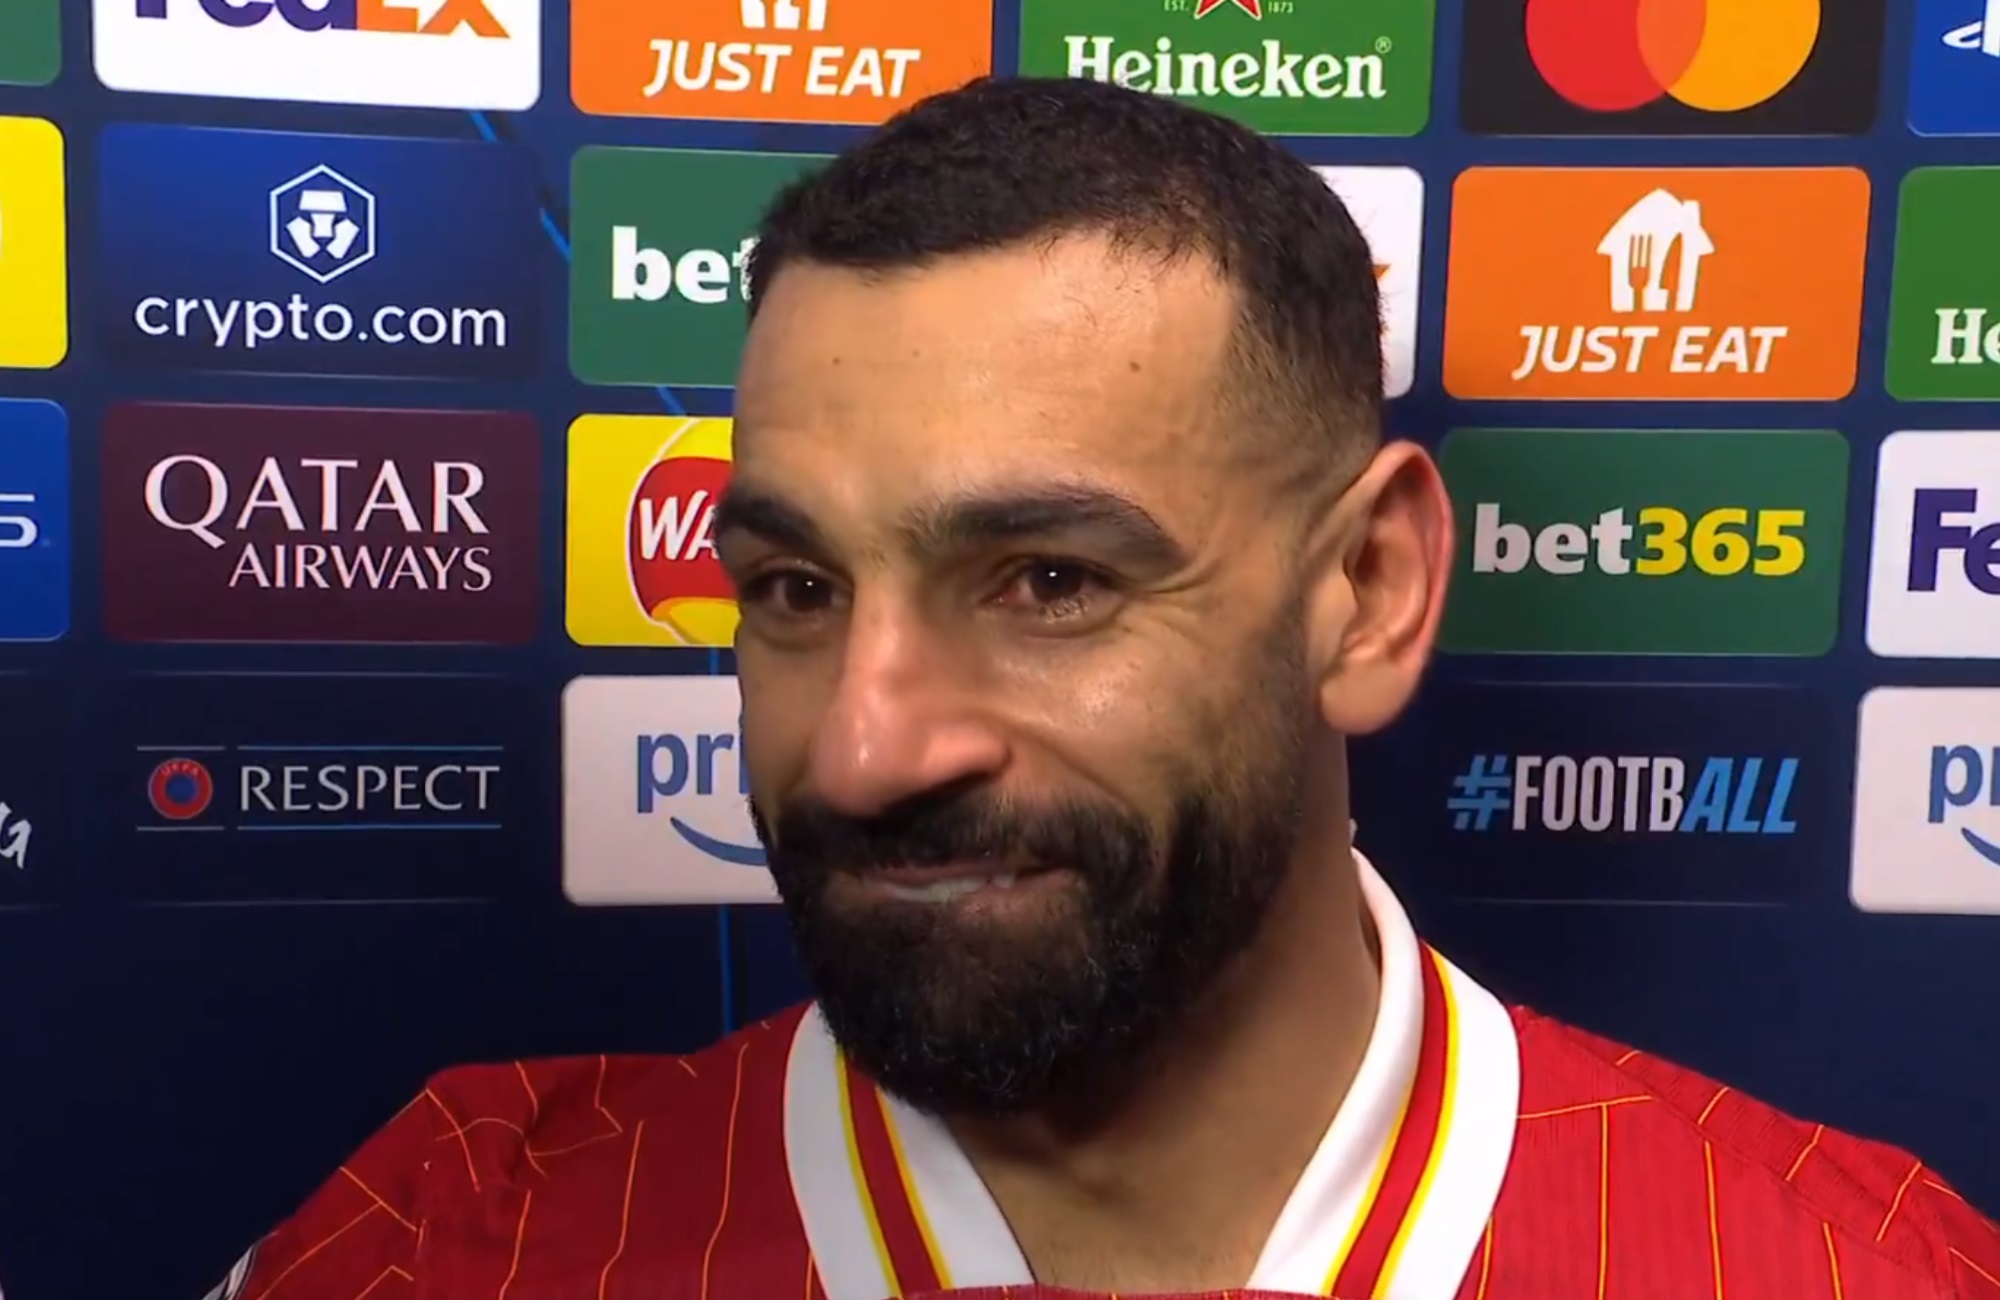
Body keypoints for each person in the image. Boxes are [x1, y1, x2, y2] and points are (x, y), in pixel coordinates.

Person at [200, 77, 2000, 1300]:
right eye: (797, 589)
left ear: (1368, 595)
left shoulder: (1849, 1270)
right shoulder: (445, 1243)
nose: (866, 746)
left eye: (1050, 582)